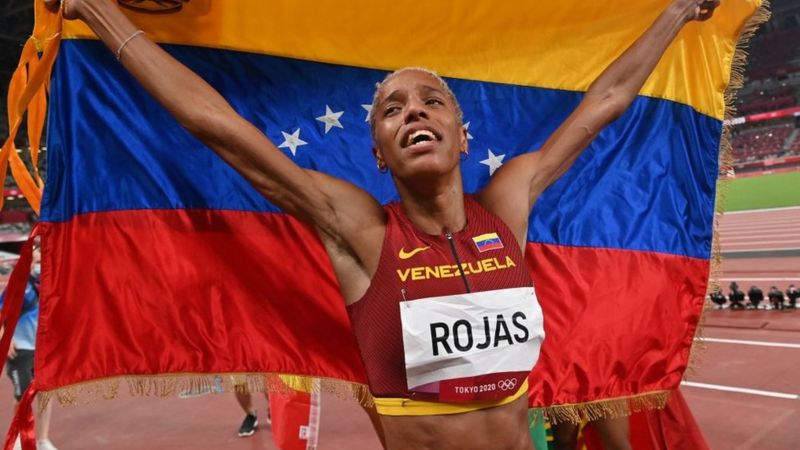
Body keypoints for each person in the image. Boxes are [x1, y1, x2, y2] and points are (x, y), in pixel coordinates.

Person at [48, 0, 721, 448]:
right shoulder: (362, 233)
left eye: (432, 100)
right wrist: (99, 12)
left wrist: (675, 12)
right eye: (393, 109)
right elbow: (219, 128)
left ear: (463, 134)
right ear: (377, 151)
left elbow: (603, 101)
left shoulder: (508, 205)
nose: (415, 112)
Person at [1, 247, 58, 450]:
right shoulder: (16, 285)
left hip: (43, 349)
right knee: (23, 397)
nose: (39, 256)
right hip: (22, 349)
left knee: (46, 394)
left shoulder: (43, 282)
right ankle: (17, 437)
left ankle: (42, 440)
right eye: (35, 252)